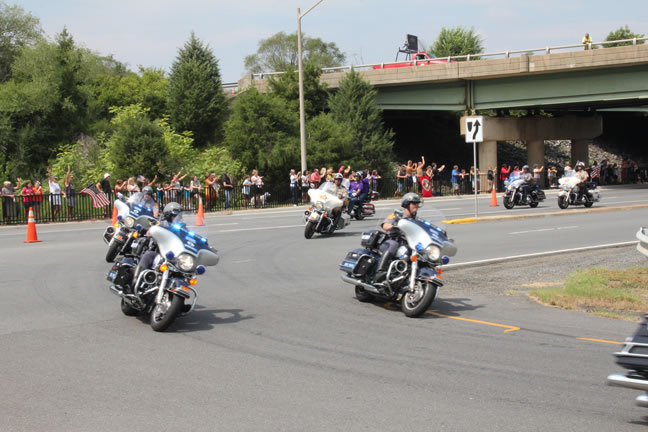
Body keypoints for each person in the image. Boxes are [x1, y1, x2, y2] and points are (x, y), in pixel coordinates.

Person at [375, 192, 422, 282]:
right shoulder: (397, 214)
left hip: (407, 244)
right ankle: (380, 271)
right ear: (406, 204)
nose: (416, 206)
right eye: (414, 203)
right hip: (391, 241)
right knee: (394, 245)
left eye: (417, 204)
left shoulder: (416, 220)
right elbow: (385, 225)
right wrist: (394, 225)